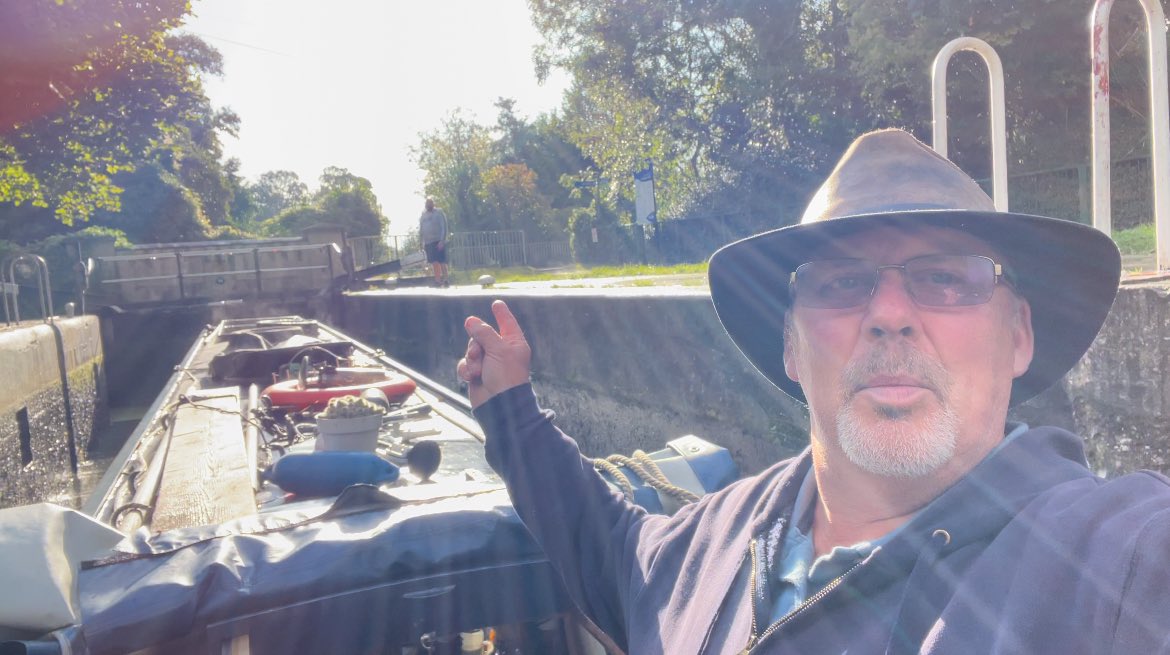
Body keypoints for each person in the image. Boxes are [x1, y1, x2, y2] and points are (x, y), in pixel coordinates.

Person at [456, 129, 1170, 654]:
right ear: (792, 345)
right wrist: (509, 410)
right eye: (842, 283)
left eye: (947, 278)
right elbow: (606, 547)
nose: (890, 313)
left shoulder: (1112, 562)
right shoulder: (711, 538)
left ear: (1018, 334)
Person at [419, 198, 449, 287]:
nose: (428, 205)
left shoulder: (439, 213)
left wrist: (442, 240)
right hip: (429, 242)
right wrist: (421, 242)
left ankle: (446, 279)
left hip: (438, 240)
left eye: (430, 203)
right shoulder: (423, 216)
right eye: (427, 203)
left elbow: (444, 226)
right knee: (434, 262)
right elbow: (421, 229)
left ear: (433, 204)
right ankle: (438, 280)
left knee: (442, 261)